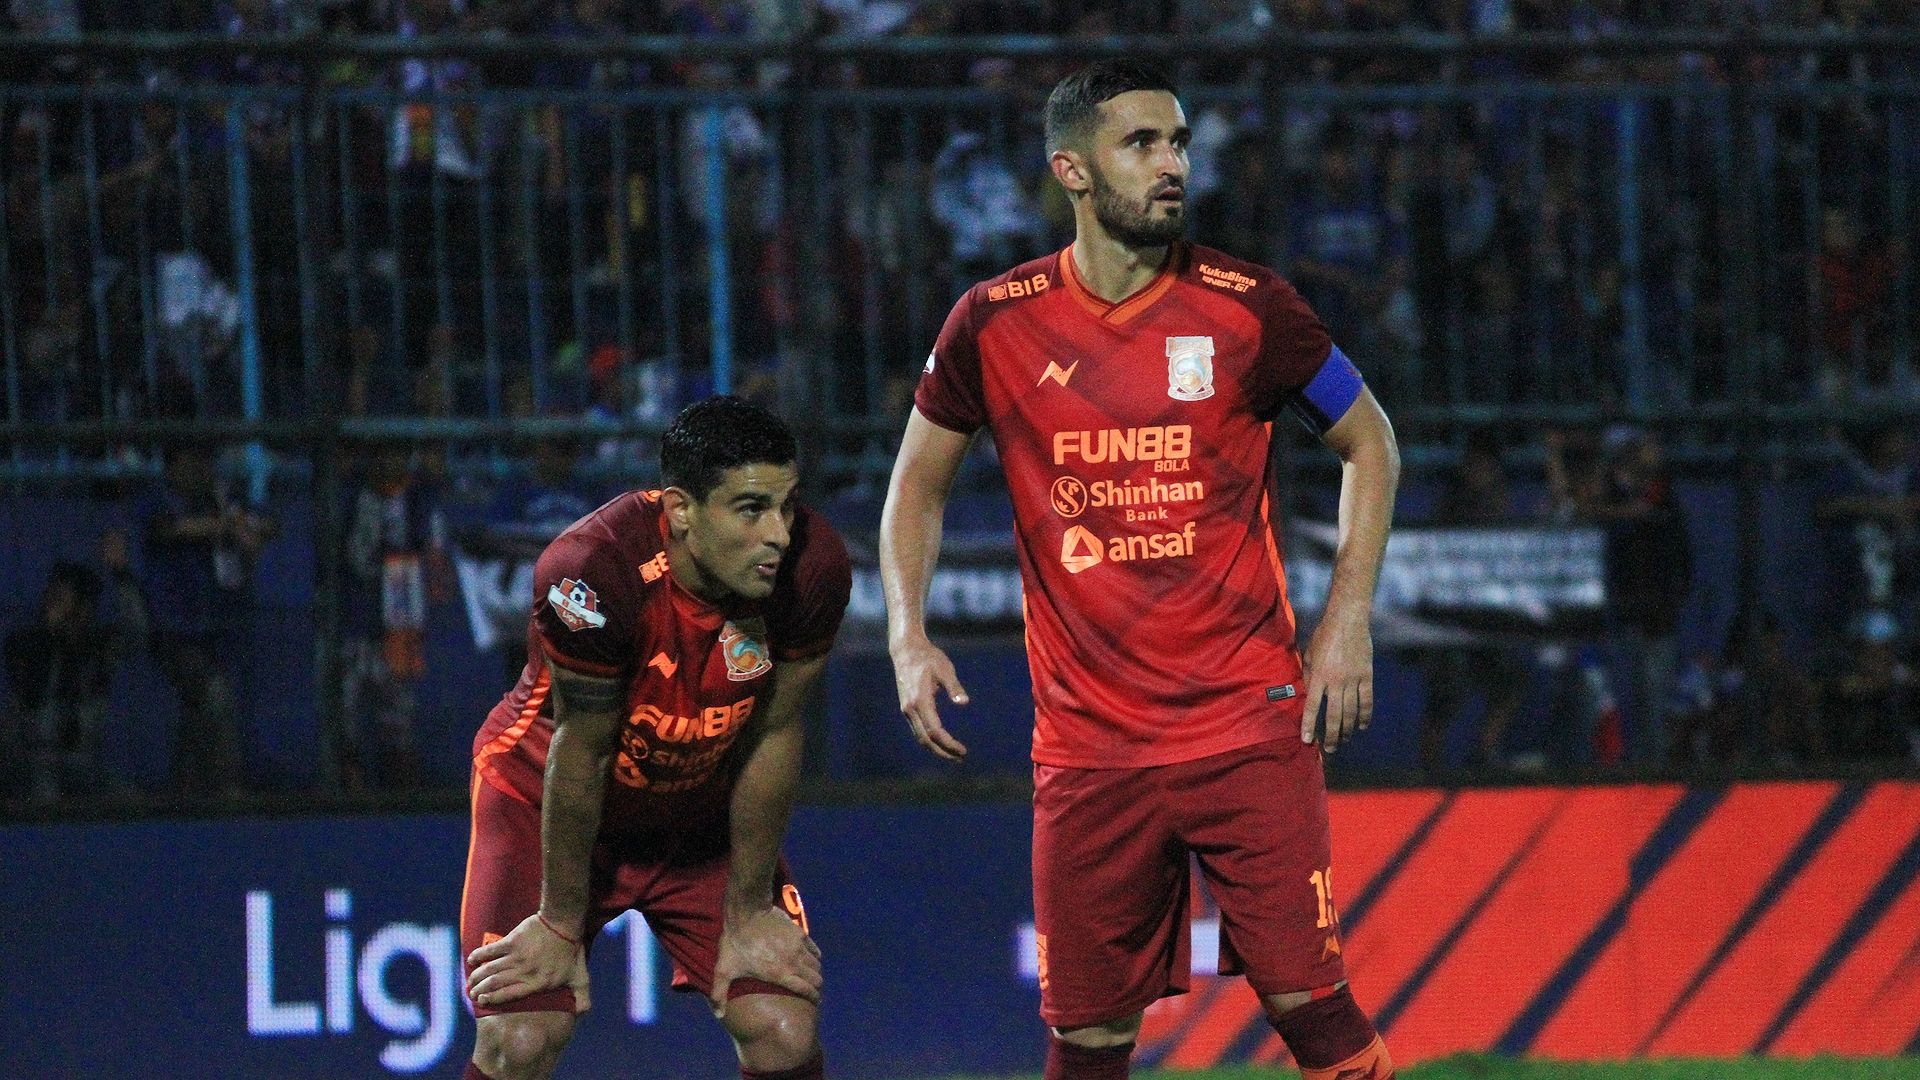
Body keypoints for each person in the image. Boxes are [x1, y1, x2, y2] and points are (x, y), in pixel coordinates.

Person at [882, 61, 1401, 1080]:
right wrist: (908, 633)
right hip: (1088, 750)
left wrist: (1348, 618)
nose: (1173, 166)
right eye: (1143, 145)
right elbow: (915, 488)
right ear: (1071, 169)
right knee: (1088, 1041)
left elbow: (1372, 441)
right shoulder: (993, 321)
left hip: (1246, 725)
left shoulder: (1253, 307)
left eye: (1180, 143)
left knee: (1315, 1010)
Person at [459, 396, 851, 1080]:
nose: (780, 535)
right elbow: (582, 750)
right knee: (518, 1041)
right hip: (543, 795)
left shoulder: (812, 570)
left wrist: (751, 908)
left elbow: (777, 734)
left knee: (783, 1031)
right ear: (680, 512)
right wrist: (557, 922)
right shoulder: (592, 571)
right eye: (751, 509)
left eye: (787, 506)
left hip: (695, 812)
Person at [3, 532, 144, 803]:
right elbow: (29, 693)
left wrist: (122, 575)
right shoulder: (26, 641)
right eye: (52, 596)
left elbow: (137, 635)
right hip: (37, 762)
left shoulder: (98, 646)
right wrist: (49, 635)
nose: (52, 603)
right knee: (45, 796)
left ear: (86, 607)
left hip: (84, 761)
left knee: (128, 800)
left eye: (63, 598)